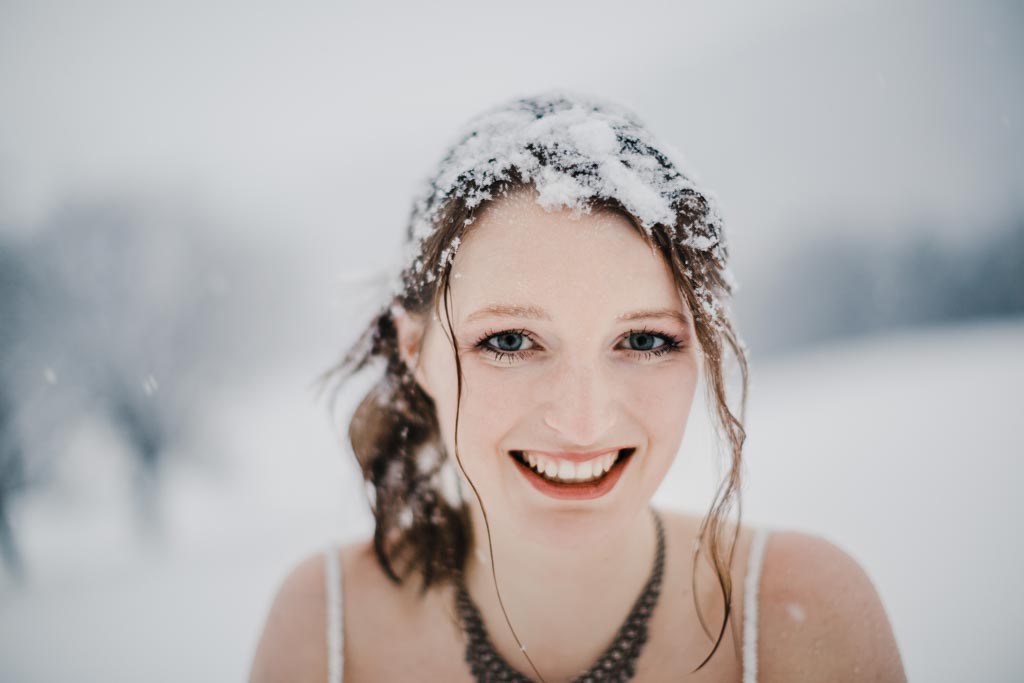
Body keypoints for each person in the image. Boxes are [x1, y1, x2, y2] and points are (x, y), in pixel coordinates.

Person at [249, 92, 906, 682]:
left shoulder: (804, 617)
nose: (583, 422)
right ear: (417, 351)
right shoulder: (323, 633)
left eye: (644, 340)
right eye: (509, 341)